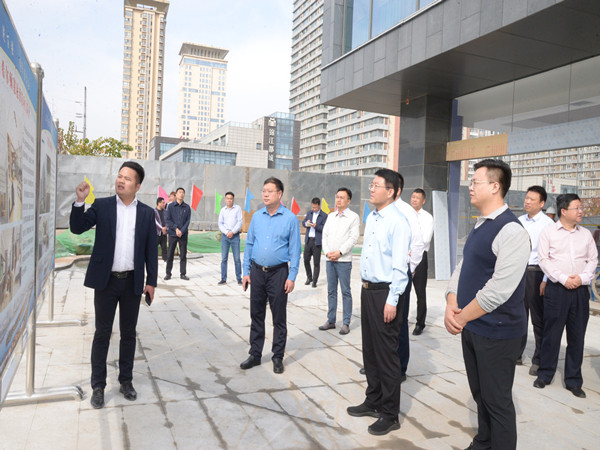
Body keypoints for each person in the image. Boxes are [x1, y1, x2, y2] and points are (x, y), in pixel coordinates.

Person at [445, 159, 530, 450]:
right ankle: (483, 442)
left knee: (497, 401)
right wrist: (451, 301)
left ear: (495, 186)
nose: (470, 187)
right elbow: (463, 266)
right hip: (474, 326)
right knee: (481, 394)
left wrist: (461, 317)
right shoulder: (481, 224)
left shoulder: (512, 231)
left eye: (476, 182)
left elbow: (499, 290)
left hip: (498, 332)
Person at [69, 161, 158, 409]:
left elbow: (151, 251)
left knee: (128, 334)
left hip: (132, 282)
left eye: (127, 178)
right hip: (106, 281)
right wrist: (80, 201)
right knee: (102, 333)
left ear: (137, 186)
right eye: (119, 176)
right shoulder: (103, 206)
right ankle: (98, 386)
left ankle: (126, 381)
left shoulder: (147, 213)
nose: (121, 180)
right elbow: (77, 227)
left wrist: (151, 282)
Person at [347, 169, 410, 436]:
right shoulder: (373, 217)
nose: (371, 189)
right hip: (368, 290)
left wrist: (392, 300)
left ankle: (390, 413)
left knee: (387, 356)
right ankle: (373, 400)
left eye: (376, 185)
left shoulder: (398, 222)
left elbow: (400, 267)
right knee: (370, 351)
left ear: (391, 191)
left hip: (386, 293)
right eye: (371, 185)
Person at [534, 194, 598, 398]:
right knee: (552, 334)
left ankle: (573, 380)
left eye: (581, 208)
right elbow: (544, 260)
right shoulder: (549, 233)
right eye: (577, 208)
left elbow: (593, 260)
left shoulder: (585, 234)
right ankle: (545, 374)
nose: (581, 211)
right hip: (557, 290)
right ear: (563, 211)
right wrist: (563, 279)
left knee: (577, 336)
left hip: (579, 291)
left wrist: (581, 278)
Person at [240, 177, 301, 374]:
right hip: (257, 272)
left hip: (279, 274)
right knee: (256, 314)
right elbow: (249, 244)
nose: (265, 194)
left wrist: (292, 276)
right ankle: (255, 354)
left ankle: (277, 357)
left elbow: (295, 251)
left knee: (279, 317)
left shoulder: (290, 219)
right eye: (264, 190)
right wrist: (246, 272)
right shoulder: (257, 216)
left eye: (270, 191)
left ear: (279, 194)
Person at [517, 186, 554, 374]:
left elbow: (551, 255)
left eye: (532, 199)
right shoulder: (518, 221)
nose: (527, 201)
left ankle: (538, 359)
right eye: (527, 198)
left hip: (537, 272)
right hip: (518, 271)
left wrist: (545, 279)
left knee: (538, 318)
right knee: (518, 315)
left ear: (541, 203)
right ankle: (516, 353)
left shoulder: (548, 224)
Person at [393, 173, 424, 381]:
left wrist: (409, 269)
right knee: (380, 323)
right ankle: (379, 362)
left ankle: (400, 367)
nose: (373, 189)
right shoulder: (379, 212)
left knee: (399, 321)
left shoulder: (406, 212)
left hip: (400, 274)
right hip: (381, 276)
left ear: (395, 189)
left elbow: (418, 244)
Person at [318, 188, 360, 335]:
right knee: (331, 291)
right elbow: (325, 236)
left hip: (343, 261)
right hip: (330, 259)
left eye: (342, 197)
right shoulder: (331, 216)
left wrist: (340, 252)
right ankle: (331, 320)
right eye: (337, 197)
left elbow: (353, 238)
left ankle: (346, 322)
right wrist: (327, 252)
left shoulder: (353, 217)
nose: (339, 200)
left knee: (345, 291)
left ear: (348, 201)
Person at [410, 188, 433, 336]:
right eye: (413, 197)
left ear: (423, 201)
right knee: (402, 290)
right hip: (405, 256)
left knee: (420, 292)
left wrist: (411, 247)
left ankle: (420, 323)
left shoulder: (427, 217)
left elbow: (425, 239)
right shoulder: (405, 214)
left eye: (417, 198)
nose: (414, 199)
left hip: (420, 257)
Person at [165, 187, 191, 281]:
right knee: (170, 255)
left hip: (183, 235)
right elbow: (168, 219)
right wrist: (176, 229)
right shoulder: (170, 206)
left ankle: (183, 274)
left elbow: (187, 221)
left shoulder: (187, 207)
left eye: (183, 192)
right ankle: (168, 273)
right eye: (179, 192)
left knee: (183, 255)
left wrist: (181, 231)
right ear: (176, 195)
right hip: (172, 234)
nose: (181, 194)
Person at [218, 191, 243, 285]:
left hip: (235, 236)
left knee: (237, 258)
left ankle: (239, 278)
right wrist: (226, 232)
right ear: (225, 200)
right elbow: (220, 223)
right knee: (224, 258)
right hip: (225, 236)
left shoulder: (237, 208)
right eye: (227, 198)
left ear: (233, 199)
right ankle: (223, 278)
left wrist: (232, 232)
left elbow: (240, 222)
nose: (229, 200)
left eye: (231, 198)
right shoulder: (222, 210)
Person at [302, 198, 327, 287]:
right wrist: (307, 223)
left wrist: (316, 226)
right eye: (313, 207)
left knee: (316, 263)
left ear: (319, 206)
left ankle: (315, 281)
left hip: (317, 242)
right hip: (308, 240)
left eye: (315, 207)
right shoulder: (309, 213)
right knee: (306, 260)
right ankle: (309, 277)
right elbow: (303, 223)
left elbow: (325, 228)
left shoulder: (324, 215)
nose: (314, 209)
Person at [155, 197, 168, 261]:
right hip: (157, 233)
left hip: (164, 233)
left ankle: (165, 261)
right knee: (154, 248)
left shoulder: (165, 211)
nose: (164, 204)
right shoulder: (154, 212)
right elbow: (155, 222)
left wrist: (166, 228)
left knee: (164, 248)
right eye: (163, 203)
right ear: (159, 203)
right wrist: (162, 228)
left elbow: (168, 220)